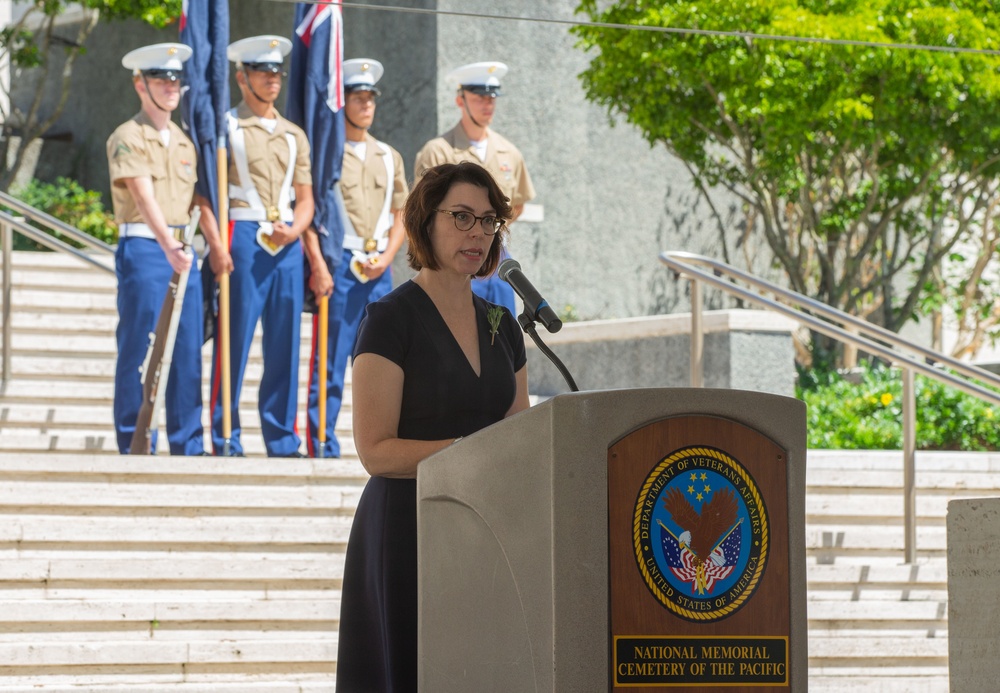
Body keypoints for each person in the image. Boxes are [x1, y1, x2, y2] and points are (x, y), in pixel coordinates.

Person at [335, 162, 530, 691]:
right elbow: (375, 451)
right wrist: (467, 452)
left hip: (486, 533)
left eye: (488, 222)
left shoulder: (503, 324)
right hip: (408, 530)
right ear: (425, 220)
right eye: (462, 217)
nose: (477, 233)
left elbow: (521, 440)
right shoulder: (390, 318)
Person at [107, 43, 221, 456]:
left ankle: (188, 441)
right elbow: (142, 195)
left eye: (175, 80)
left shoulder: (185, 143)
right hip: (146, 247)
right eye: (161, 79)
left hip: (181, 249)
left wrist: (201, 243)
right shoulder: (127, 136)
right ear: (141, 84)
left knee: (188, 348)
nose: (171, 87)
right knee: (140, 345)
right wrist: (169, 243)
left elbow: (194, 201)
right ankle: (133, 438)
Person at [208, 35, 314, 457]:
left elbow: (305, 199)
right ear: (242, 77)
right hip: (244, 236)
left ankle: (281, 438)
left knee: (285, 344)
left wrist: (295, 230)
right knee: (233, 339)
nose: (273, 80)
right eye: (263, 73)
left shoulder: (293, 134)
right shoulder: (226, 125)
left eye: (277, 73)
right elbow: (209, 191)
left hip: (286, 242)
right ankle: (225, 434)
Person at [302, 58, 408, 459]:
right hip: (341, 264)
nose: (367, 105)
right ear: (342, 101)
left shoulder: (387, 155)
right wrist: (319, 263)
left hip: (379, 268)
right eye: (358, 97)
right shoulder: (326, 155)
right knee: (329, 360)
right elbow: (311, 211)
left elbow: (402, 213)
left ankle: (380, 442)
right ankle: (321, 441)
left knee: (383, 362)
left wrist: (388, 257)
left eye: (371, 98)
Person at [413, 61, 536, 315]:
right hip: (451, 258)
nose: (487, 105)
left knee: (502, 335)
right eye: (479, 97)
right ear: (461, 100)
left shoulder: (509, 152)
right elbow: (420, 212)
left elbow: (519, 204)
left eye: (492, 98)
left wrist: (488, 231)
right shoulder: (438, 151)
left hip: (496, 257)